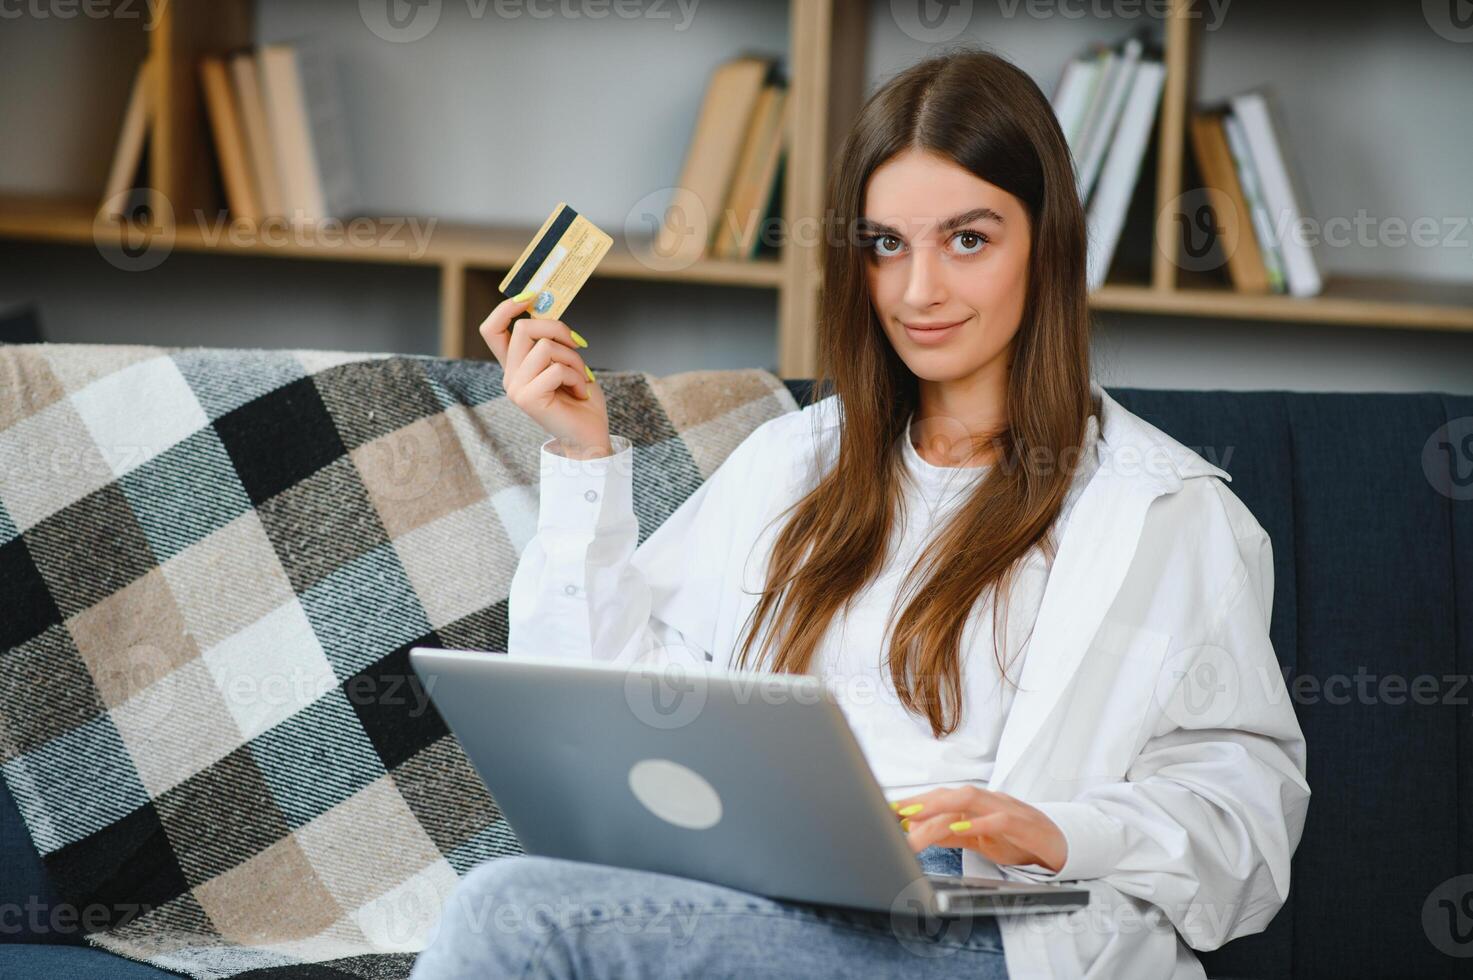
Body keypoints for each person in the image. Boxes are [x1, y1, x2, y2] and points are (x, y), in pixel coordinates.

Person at [410, 45, 1309, 980]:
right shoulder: (795, 462)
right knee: (524, 897)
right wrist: (583, 460)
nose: (918, 291)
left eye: (968, 239)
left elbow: (1247, 826)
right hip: (774, 901)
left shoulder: (1166, 511)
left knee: (513, 917)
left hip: (994, 936)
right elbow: (601, 721)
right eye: (887, 244)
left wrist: (1056, 830)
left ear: (1047, 245)